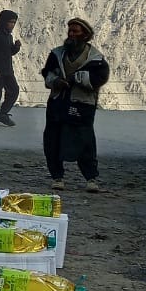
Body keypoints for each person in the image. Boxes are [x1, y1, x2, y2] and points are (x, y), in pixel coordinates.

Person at [41, 19, 109, 192]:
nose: (71, 34)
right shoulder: (57, 54)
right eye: (70, 31)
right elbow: (47, 73)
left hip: (82, 105)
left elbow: (100, 78)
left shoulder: (95, 59)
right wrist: (56, 81)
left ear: (85, 35)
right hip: (58, 103)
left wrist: (77, 78)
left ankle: (91, 178)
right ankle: (57, 177)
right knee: (53, 140)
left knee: (85, 141)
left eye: (75, 31)